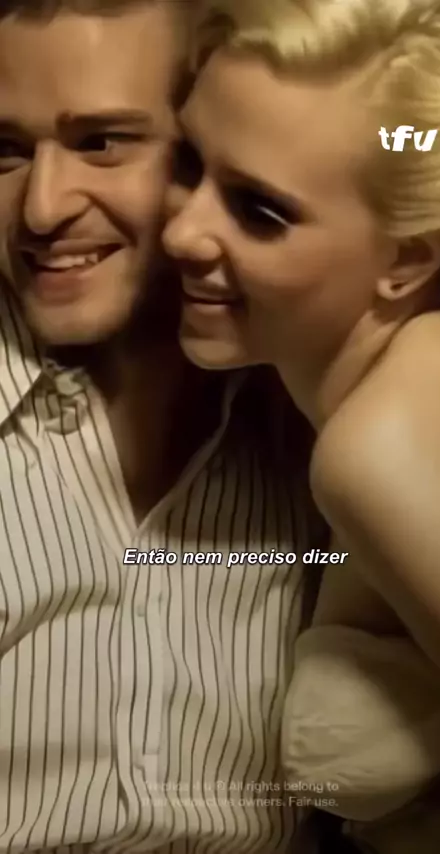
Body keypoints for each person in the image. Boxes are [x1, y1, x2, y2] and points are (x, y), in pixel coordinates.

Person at [0, 1, 327, 851]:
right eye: (5, 151)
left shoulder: (313, 414)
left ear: (206, 158)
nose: (40, 209)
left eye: (101, 142)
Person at [162, 0, 440, 846]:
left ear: (407, 258)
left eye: (259, 210)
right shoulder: (375, 399)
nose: (182, 231)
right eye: (188, 163)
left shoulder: (388, 435)